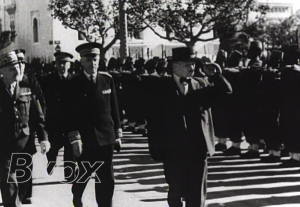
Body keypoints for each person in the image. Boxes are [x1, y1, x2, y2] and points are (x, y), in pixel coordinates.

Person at [144, 47, 232, 207]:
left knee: (197, 195)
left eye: (193, 64)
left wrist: (216, 74)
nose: (192, 68)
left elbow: (226, 92)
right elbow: (153, 121)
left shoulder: (201, 84)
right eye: (187, 65)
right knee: (175, 192)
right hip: (173, 150)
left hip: (198, 148)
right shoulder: (160, 87)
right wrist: (156, 149)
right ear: (174, 66)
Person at [67, 42, 122, 207]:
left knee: (106, 178)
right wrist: (75, 139)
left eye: (95, 59)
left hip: (106, 137)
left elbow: (114, 108)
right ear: (82, 61)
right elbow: (69, 115)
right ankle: (77, 196)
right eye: (89, 60)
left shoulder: (107, 80)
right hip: (86, 138)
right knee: (84, 174)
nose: (93, 63)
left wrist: (118, 134)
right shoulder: (74, 83)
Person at [0, 51, 49, 207]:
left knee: (23, 183)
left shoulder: (26, 86)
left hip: (24, 143)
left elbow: (37, 115)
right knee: (9, 180)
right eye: (11, 69)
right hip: (3, 144)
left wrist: (43, 139)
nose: (16, 71)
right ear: (2, 72)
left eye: (16, 67)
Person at [14, 49, 47, 204]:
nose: (20, 64)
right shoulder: (5, 82)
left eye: (22, 61)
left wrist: (40, 130)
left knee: (26, 162)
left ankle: (26, 193)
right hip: (9, 133)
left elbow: (39, 102)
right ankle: (14, 196)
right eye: (17, 61)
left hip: (27, 129)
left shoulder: (30, 80)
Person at [43, 51, 76, 181]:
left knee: (69, 146)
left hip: (70, 119)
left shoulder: (74, 80)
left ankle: (69, 174)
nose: (62, 66)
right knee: (54, 144)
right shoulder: (48, 80)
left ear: (70, 65)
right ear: (55, 64)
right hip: (54, 119)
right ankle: (51, 161)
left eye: (65, 63)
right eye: (59, 63)